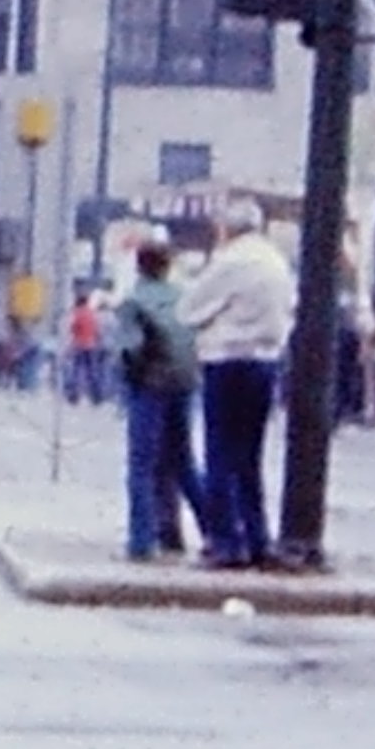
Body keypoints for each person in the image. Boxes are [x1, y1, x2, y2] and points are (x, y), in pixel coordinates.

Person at [181, 201, 291, 568]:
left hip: (226, 360)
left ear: (227, 228)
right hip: (265, 361)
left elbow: (189, 310)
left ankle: (227, 541)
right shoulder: (277, 263)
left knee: (219, 455)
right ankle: (258, 537)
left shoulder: (229, 262)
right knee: (249, 457)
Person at [113, 237, 201, 558]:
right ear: (168, 266)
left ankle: (141, 541)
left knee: (141, 466)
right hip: (184, 383)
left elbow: (129, 348)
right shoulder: (184, 297)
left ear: (139, 265)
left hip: (149, 385)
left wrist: (126, 378)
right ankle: (209, 528)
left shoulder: (133, 301)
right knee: (182, 463)